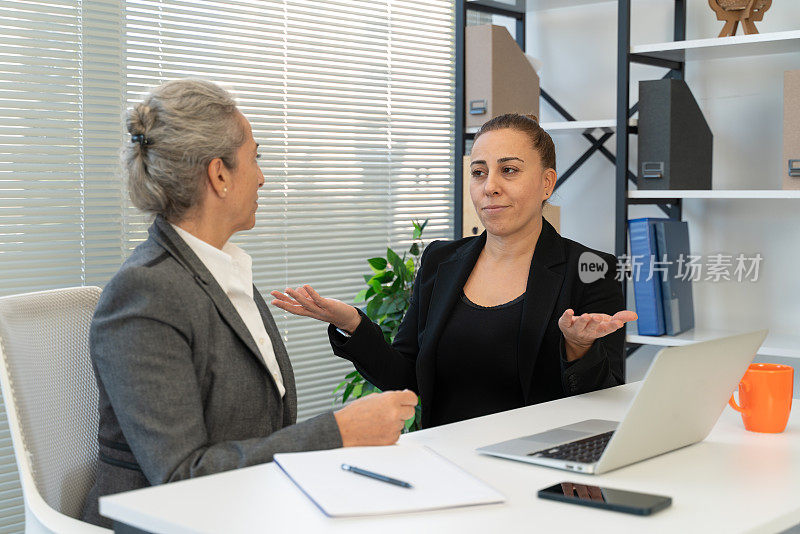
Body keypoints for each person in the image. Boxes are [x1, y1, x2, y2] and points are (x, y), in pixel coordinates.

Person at [82, 79, 417, 528]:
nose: (261, 175)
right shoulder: (144, 294)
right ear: (219, 175)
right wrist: (339, 432)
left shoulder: (224, 272)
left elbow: (257, 430)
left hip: (246, 510)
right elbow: (183, 476)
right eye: (254, 157)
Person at [270, 113, 637, 429]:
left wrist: (579, 349)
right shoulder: (439, 261)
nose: (490, 187)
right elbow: (407, 378)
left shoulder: (591, 270)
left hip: (539, 470)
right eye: (479, 173)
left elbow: (605, 402)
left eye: (509, 170)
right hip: (445, 466)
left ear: (546, 183)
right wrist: (354, 324)